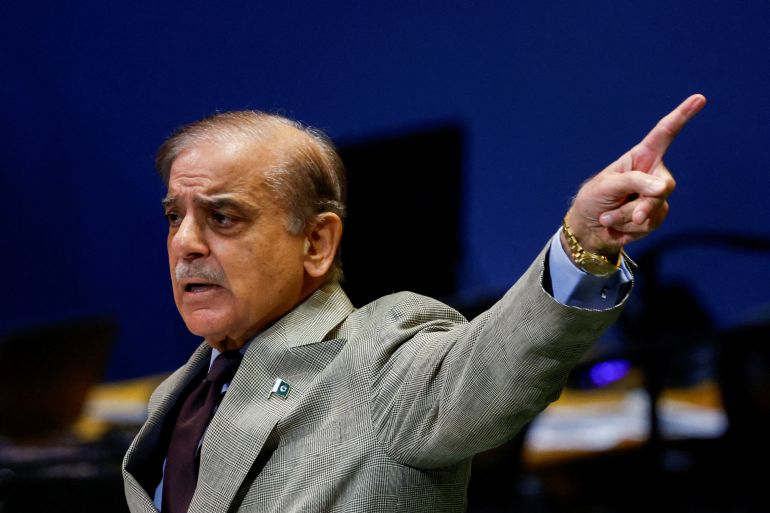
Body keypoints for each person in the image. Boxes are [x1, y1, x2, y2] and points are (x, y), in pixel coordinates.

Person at [122, 94, 706, 513]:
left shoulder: (378, 357)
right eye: (176, 216)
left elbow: (494, 361)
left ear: (317, 242)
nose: (185, 243)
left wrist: (585, 241)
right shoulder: (174, 396)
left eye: (222, 217)